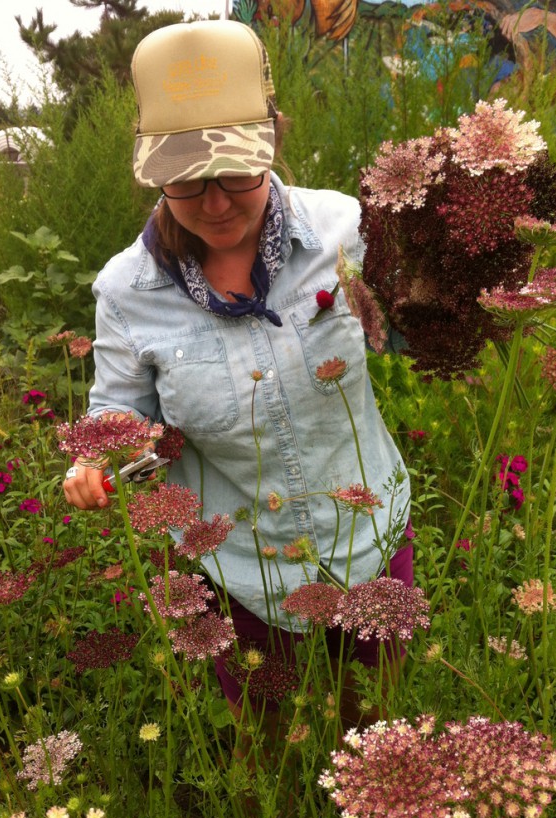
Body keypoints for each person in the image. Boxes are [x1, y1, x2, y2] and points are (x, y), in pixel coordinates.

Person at [62, 19, 413, 716]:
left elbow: (408, 332)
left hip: (371, 546)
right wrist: (98, 458)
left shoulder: (346, 231)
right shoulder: (127, 293)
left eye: (235, 173)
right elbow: (118, 414)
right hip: (243, 577)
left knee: (382, 730)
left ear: (274, 137)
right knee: (271, 756)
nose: (215, 203)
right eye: (185, 184)